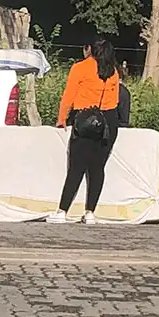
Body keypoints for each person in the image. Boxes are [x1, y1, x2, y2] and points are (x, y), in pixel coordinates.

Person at [49, 38, 127, 224]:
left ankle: (62, 211)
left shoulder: (80, 68)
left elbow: (69, 95)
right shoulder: (113, 71)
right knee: (97, 168)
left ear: (89, 49)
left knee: (76, 167)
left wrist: (61, 119)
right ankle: (90, 212)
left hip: (85, 120)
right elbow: (116, 100)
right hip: (108, 122)